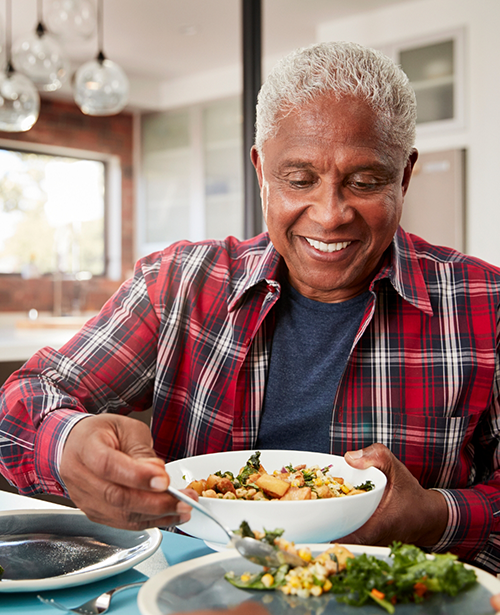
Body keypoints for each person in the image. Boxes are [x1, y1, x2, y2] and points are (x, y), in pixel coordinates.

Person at [1, 41, 500, 575]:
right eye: (300, 179)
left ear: (403, 176)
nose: (330, 215)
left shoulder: (485, 306)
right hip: (189, 597)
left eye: (366, 181)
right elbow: (21, 402)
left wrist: (434, 514)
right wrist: (68, 445)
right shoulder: (178, 286)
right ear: (262, 171)